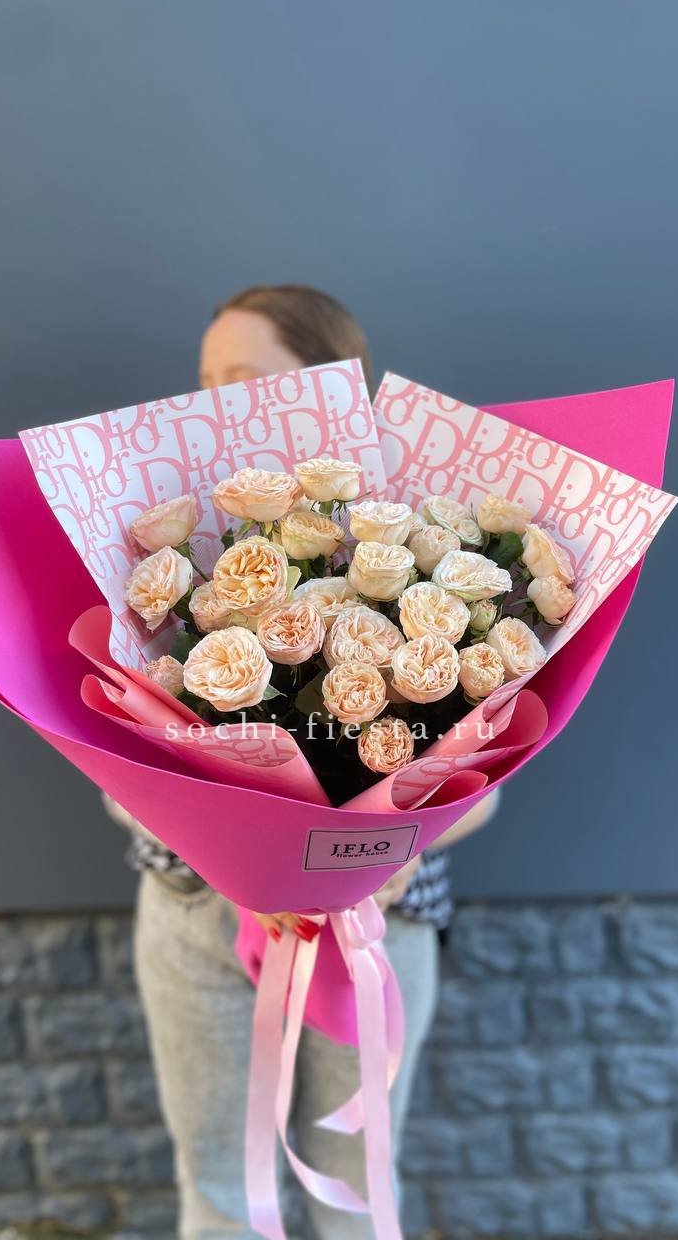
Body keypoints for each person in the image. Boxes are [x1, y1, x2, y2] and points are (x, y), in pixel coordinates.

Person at [106, 284, 499, 1239]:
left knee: (352, 1185)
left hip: (373, 919)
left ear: (334, 383)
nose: (214, 404)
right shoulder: (157, 547)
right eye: (205, 381)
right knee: (217, 1186)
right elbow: (115, 766)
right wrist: (229, 857)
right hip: (192, 911)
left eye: (242, 380)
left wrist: (381, 858)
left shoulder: (425, 541)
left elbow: (484, 783)